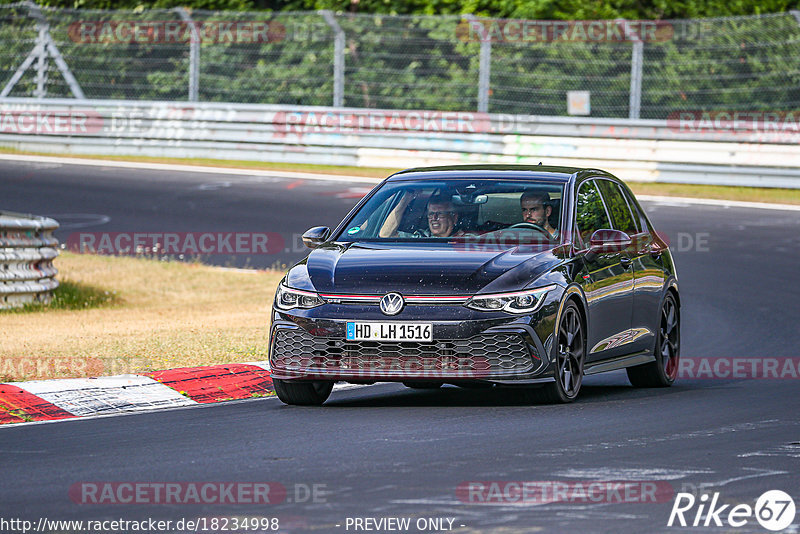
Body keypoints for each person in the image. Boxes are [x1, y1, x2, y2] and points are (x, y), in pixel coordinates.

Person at [379, 192, 464, 238]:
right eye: (431, 214)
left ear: (454, 218)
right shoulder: (422, 237)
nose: (434, 218)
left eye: (440, 214)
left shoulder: (465, 239)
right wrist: (406, 200)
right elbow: (385, 234)